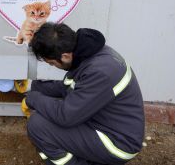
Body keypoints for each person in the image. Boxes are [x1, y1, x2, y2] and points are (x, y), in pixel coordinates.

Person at [22, 22, 145, 165]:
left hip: (118, 143)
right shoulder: (89, 53)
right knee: (46, 115)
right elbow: (67, 87)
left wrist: (33, 99)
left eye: (51, 63)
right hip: (103, 124)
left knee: (38, 126)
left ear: (65, 56)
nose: (52, 66)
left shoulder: (101, 71)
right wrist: (34, 86)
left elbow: (66, 115)